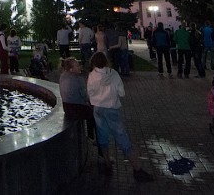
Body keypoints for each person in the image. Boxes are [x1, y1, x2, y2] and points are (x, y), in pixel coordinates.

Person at [86, 51, 154, 181]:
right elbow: (121, 93)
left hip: (98, 109)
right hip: (111, 109)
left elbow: (90, 93)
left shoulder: (91, 75)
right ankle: (137, 168)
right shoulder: (113, 74)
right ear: (106, 61)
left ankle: (107, 163)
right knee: (122, 137)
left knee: (102, 136)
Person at [59, 57, 96, 145]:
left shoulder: (62, 76)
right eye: (77, 65)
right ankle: (94, 138)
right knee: (95, 114)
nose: (80, 67)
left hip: (67, 107)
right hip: (77, 108)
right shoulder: (78, 78)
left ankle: (90, 136)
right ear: (71, 69)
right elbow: (84, 96)